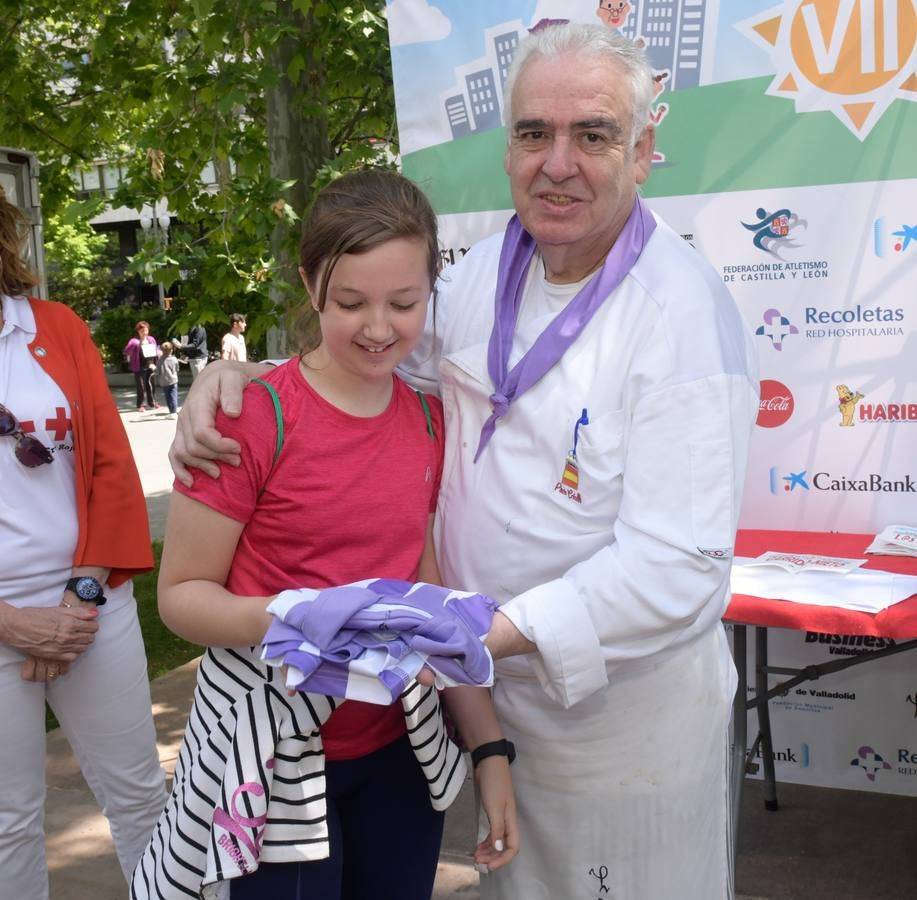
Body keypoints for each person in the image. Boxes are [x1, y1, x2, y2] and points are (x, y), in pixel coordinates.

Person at [170, 24, 759, 899]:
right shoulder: (482, 271)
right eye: (532, 134)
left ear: (642, 151)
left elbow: (676, 569)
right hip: (473, 701)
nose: (556, 162)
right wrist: (235, 376)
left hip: (612, 724)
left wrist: (476, 636)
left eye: (590, 135)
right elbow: (366, 362)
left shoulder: (681, 317)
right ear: (509, 146)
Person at [133, 169, 518, 899]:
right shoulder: (251, 417)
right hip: (276, 761)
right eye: (350, 303)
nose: (378, 328)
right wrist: (290, 614)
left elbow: (433, 599)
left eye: (403, 303)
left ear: (430, 291)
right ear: (310, 287)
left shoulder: (431, 421)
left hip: (399, 750)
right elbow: (180, 597)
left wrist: (489, 747)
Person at [0, 188, 167, 898]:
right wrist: (12, 623)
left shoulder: (56, 327)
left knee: (140, 799)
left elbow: (109, 468)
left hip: (88, 603)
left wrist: (80, 600)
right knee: (7, 822)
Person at [123, 320, 159, 411]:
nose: (145, 333)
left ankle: (152, 402)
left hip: (151, 365)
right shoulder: (134, 341)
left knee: (151, 385)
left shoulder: (151, 339)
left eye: (146, 330)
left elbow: (155, 351)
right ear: (138, 331)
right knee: (141, 387)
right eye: (142, 331)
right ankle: (141, 405)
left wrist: (156, 362)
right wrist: (135, 346)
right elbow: (126, 351)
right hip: (139, 367)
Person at [155, 340, 180, 415]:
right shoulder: (174, 359)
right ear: (171, 350)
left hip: (164, 382)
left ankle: (170, 410)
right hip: (173, 380)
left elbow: (157, 372)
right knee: (174, 396)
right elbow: (177, 369)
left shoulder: (159, 361)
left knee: (168, 397)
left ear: (161, 351)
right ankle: (174, 411)